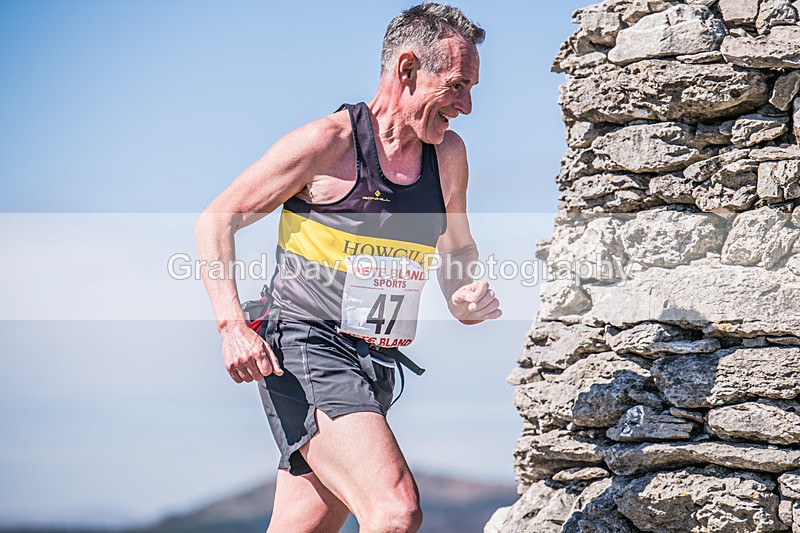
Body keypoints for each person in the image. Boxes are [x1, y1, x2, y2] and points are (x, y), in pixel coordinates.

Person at [194, 3, 500, 532]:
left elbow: (457, 249)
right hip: (305, 345)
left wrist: (463, 295)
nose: (468, 105)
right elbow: (215, 221)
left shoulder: (447, 154)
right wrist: (231, 327)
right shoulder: (328, 144)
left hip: (375, 361)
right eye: (456, 86)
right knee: (396, 511)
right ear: (407, 70)